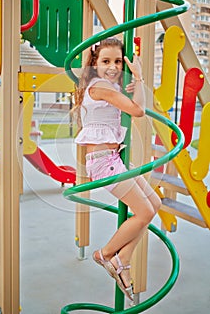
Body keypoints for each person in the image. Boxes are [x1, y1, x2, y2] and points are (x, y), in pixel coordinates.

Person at [74, 37, 161, 301]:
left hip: (114, 158)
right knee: (144, 211)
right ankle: (106, 253)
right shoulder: (100, 86)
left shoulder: (107, 86)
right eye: (105, 61)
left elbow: (132, 105)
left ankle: (123, 258)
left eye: (117, 62)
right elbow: (138, 111)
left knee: (154, 204)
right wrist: (141, 78)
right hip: (104, 162)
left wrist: (133, 86)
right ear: (94, 63)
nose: (112, 67)